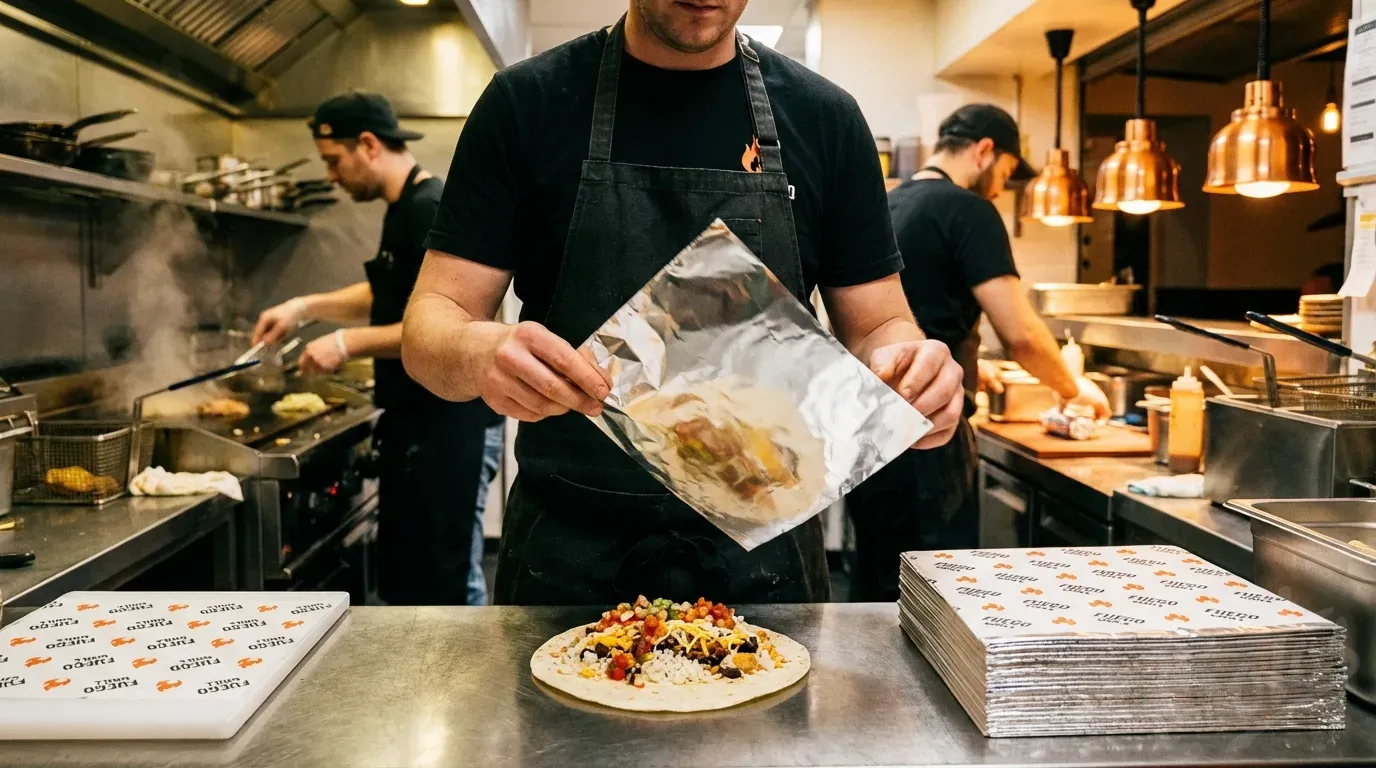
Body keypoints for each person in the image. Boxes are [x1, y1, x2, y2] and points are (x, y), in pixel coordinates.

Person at [401, 0, 965, 606]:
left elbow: (879, 321)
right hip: (568, 554)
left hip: (767, 557)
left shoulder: (824, 117)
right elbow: (430, 325)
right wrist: (472, 350)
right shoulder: (527, 103)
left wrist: (911, 366)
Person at [845, 104, 1110, 602]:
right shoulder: (968, 210)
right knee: (934, 596)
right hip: (928, 434)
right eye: (1007, 172)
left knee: (877, 588)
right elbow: (1023, 334)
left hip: (868, 435)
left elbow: (916, 311)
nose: (1001, 187)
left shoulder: (892, 203)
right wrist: (1076, 388)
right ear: (986, 151)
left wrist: (972, 366)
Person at [252, 91, 502, 606]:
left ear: (367, 144)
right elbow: (391, 293)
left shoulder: (429, 205)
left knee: (450, 575)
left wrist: (346, 343)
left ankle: (470, 683)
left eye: (333, 161)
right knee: (423, 575)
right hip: (421, 421)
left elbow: (456, 322)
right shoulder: (403, 208)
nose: (330, 176)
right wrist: (304, 307)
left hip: (452, 422)